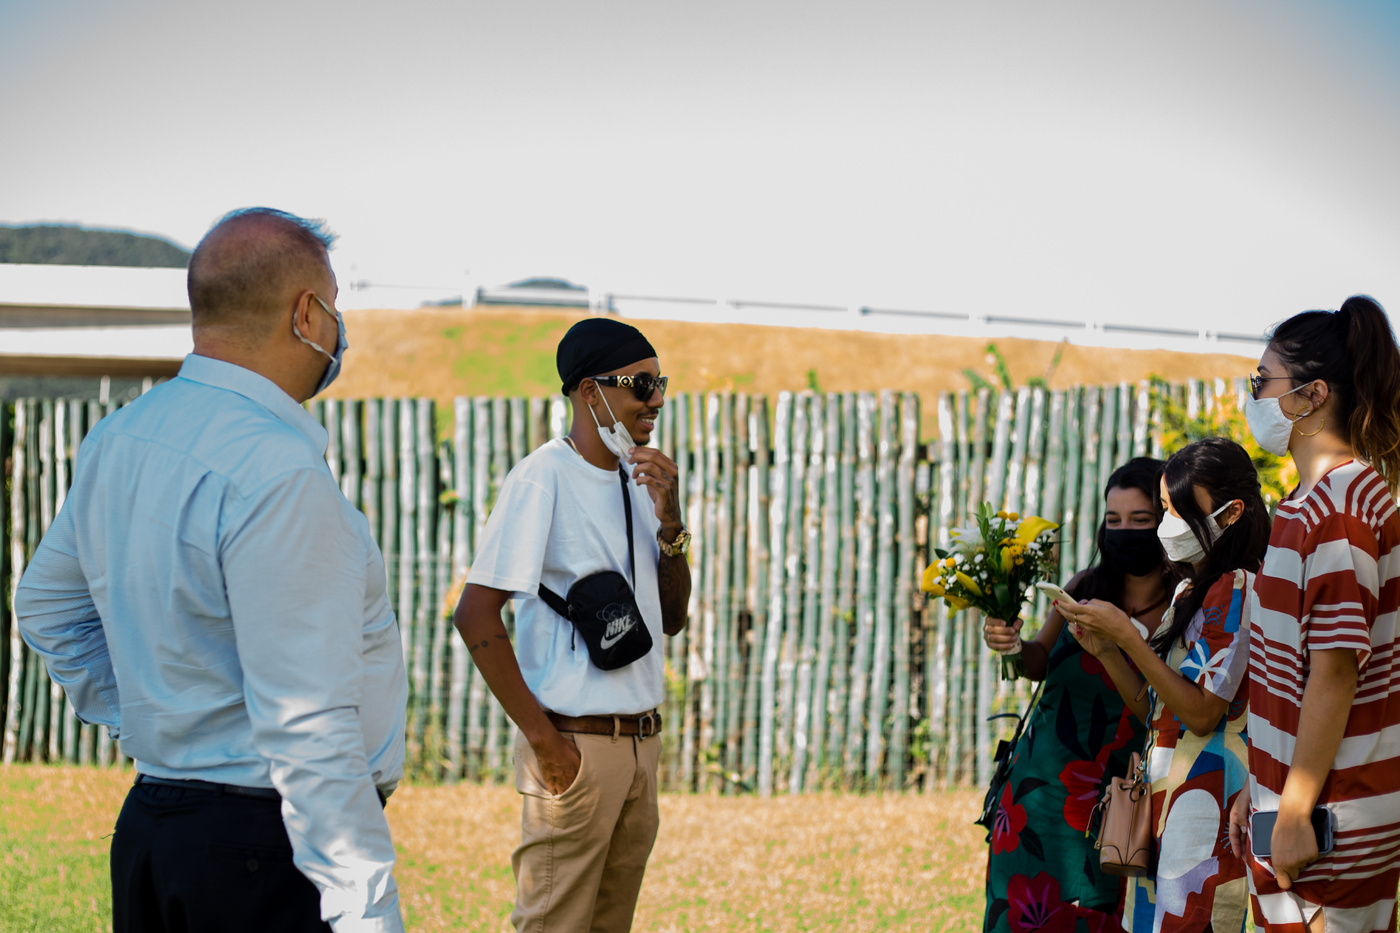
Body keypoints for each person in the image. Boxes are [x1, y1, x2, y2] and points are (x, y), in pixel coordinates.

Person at [14, 208, 407, 932]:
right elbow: (307, 719)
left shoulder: (120, 436)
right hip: (261, 847)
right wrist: (368, 910)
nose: (337, 330)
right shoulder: (277, 469)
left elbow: (46, 606)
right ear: (307, 315)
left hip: (154, 825)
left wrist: (150, 716)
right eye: (334, 308)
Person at [453, 318, 692, 932]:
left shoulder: (640, 481)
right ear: (591, 391)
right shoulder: (543, 477)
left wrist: (671, 528)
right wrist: (545, 742)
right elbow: (474, 612)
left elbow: (671, 620)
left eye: (660, 383)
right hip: (576, 746)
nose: (657, 400)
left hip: (640, 745)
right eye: (641, 385)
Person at [1224, 295, 1400, 933]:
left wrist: (1295, 810)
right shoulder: (1308, 502)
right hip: (1302, 806)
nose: (1254, 397)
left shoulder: (1340, 509)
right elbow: (1290, 677)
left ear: (1311, 395)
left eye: (1262, 382)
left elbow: (1334, 673)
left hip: (1332, 821)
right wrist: (1264, 787)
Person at [1060, 437, 1270, 933]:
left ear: (1231, 513)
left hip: (1208, 802)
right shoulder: (1191, 590)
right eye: (1165, 508)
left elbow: (1202, 713)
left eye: (1178, 510)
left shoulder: (1238, 588)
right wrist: (1108, 650)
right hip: (1168, 801)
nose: (1167, 523)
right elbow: (1157, 712)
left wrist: (1128, 639)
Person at [983, 457, 1176, 933]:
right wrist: (1011, 643)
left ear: (1166, 520)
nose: (1123, 531)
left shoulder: (1184, 604)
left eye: (1140, 519)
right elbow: (1038, 662)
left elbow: (1172, 708)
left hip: (1123, 804)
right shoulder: (1085, 587)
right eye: (1113, 520)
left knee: (1102, 919)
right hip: (1037, 795)